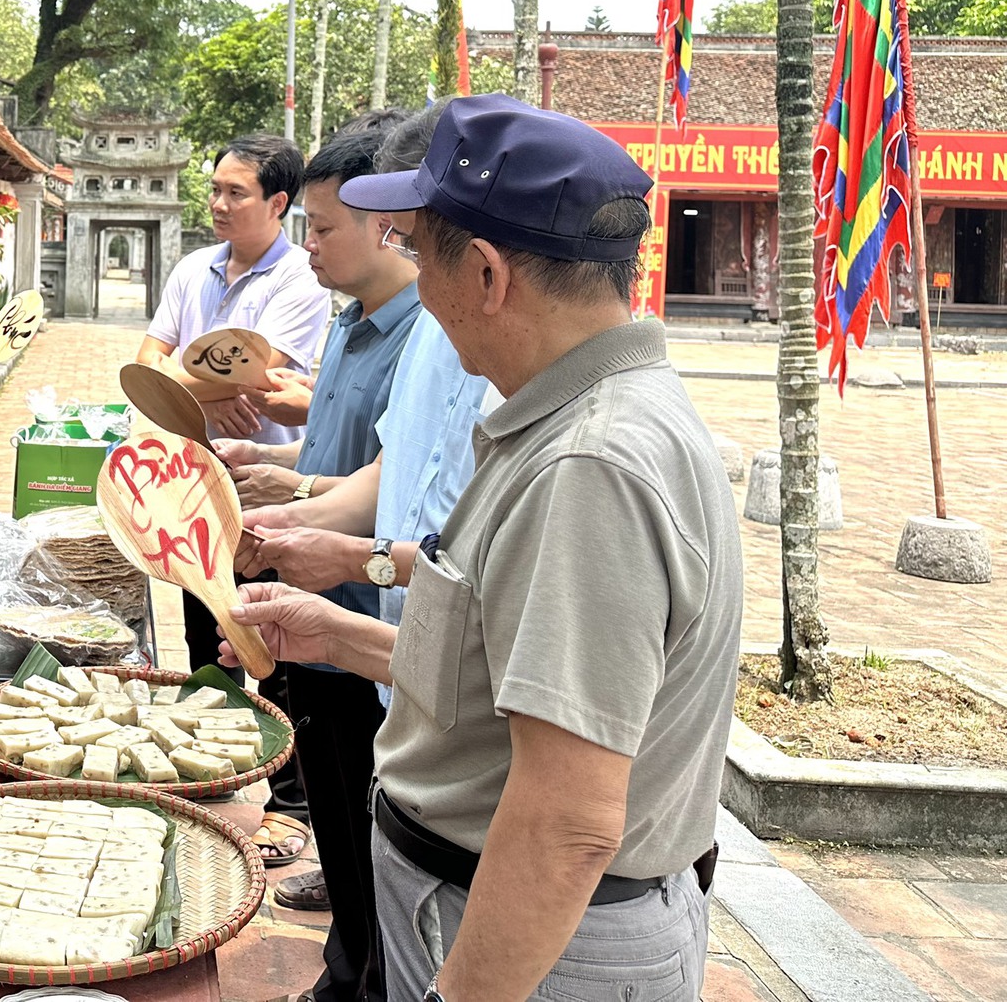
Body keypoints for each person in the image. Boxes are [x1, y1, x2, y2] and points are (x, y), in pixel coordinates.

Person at [222, 96, 743, 1002]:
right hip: (490, 909)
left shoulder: (591, 466)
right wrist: (335, 632)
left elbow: (567, 820)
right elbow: (509, 659)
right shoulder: (565, 419)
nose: (419, 286)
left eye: (421, 254)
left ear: (491, 275)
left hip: (534, 940)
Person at [210, 117, 419, 973]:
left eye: (325, 228)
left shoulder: (425, 339)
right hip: (315, 598)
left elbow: (394, 477)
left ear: (384, 224)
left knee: (368, 819)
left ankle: (361, 975)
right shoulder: (351, 322)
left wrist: (295, 502)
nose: (312, 247)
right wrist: (273, 461)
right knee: (335, 809)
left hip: (367, 612)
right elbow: (338, 451)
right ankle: (346, 968)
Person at [137, 132, 330, 859]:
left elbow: (251, 375)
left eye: (236, 192)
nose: (218, 203)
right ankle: (210, 767)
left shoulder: (298, 283)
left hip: (261, 484)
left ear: (278, 202)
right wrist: (202, 390)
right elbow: (145, 358)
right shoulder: (193, 268)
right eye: (215, 189)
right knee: (202, 628)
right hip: (189, 475)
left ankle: (291, 804)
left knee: (268, 633)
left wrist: (182, 387)